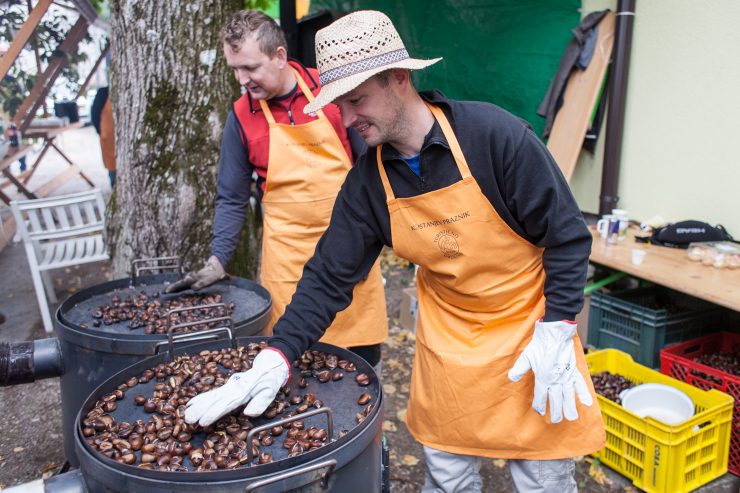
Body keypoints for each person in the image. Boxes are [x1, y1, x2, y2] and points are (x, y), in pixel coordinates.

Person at [184, 10, 605, 492]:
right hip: (451, 346)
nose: (345, 118)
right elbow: (327, 277)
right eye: (338, 104)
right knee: (447, 478)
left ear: (399, 78)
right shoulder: (368, 183)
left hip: (533, 337)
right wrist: (276, 356)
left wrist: (558, 326)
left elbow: (568, 236)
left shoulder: (495, 138)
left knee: (543, 478)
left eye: (357, 99)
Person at [166, 10, 388, 368]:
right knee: (295, 372)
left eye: (250, 68)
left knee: (362, 374)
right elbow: (232, 196)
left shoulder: (331, 91)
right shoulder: (240, 116)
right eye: (235, 69)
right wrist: (217, 259)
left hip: (351, 254)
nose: (242, 79)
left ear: (280, 56)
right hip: (288, 268)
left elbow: (374, 165)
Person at [90, 86, 116, 187]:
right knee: (113, 170)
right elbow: (95, 115)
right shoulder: (104, 92)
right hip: (110, 140)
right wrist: (103, 133)